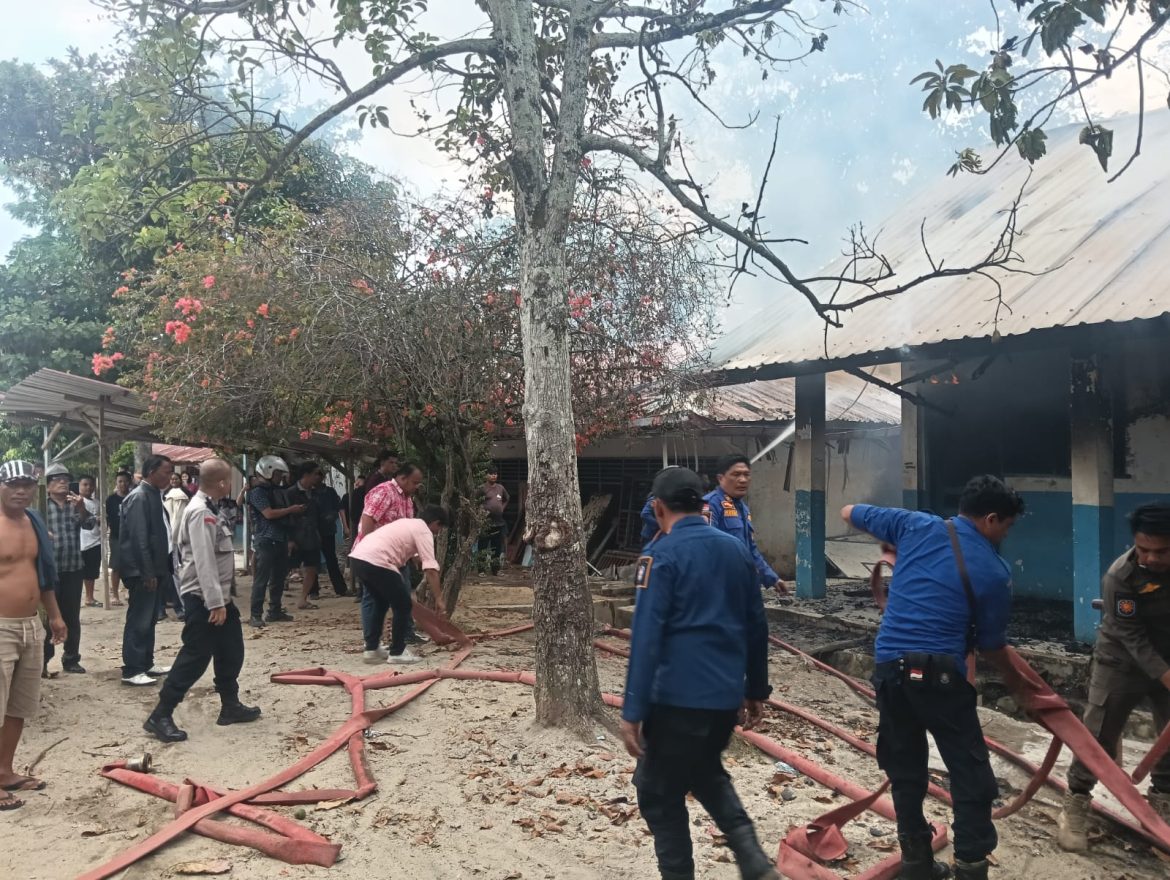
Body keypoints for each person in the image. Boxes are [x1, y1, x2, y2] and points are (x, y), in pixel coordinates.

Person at [842, 475, 1032, 880]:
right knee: (970, 773)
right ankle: (971, 867)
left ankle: (916, 864)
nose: (1006, 534)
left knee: (905, 767)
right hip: (941, 677)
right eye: (1007, 526)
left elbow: (848, 512)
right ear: (991, 519)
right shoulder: (994, 570)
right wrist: (1021, 686)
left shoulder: (914, 524)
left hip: (890, 669)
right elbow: (992, 645)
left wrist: (896, 543)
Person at [620, 467, 777, 880]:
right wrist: (756, 689)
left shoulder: (660, 555)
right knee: (705, 771)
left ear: (658, 508)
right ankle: (751, 857)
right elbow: (757, 625)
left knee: (656, 793)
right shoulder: (735, 550)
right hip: (724, 699)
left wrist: (632, 710)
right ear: (702, 504)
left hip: (675, 700)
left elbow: (646, 637)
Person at [1057, 502, 1170, 849]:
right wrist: (1165, 675)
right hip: (1121, 660)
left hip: (1167, 657)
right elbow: (1133, 638)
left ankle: (1162, 803)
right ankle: (1076, 801)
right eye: (1144, 549)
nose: (1151, 558)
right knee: (1099, 735)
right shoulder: (1121, 576)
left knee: (1169, 735)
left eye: (1161, 551)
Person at [143, 459, 261, 743]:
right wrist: (215, 603)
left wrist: (222, 601)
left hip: (218, 597)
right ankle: (161, 714)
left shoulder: (211, 508)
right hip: (203, 598)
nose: (230, 484)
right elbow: (204, 559)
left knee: (231, 649)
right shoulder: (199, 512)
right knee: (195, 657)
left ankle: (230, 705)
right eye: (228, 480)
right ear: (222, 483)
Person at [0, 460, 67, 810]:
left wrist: (54, 615)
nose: (20, 491)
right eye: (13, 484)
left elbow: (44, 574)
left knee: (19, 705)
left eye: (27, 485)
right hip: (1, 627)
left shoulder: (34, 521)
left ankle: (4, 771)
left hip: (30, 624)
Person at [349, 505, 449, 665]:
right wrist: (439, 599)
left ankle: (372, 649)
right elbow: (431, 569)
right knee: (403, 605)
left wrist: (416, 557)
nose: (438, 532)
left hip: (358, 559)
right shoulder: (424, 530)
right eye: (439, 528)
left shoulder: (407, 523)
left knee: (380, 603)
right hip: (378, 562)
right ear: (436, 522)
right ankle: (397, 652)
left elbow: (403, 547)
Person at [119, 454, 177, 686]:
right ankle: (132, 669)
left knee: (150, 619)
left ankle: (146, 662)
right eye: (167, 471)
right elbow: (138, 538)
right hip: (143, 571)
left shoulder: (153, 495)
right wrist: (147, 571)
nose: (170, 476)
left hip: (156, 568)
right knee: (139, 619)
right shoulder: (140, 497)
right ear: (152, 471)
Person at [359, 463, 426, 645]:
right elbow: (368, 519)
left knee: (403, 595)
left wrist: (414, 555)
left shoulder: (407, 499)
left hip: (398, 556)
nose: (417, 486)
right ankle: (372, 641)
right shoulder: (384, 492)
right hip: (376, 555)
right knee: (373, 597)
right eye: (415, 482)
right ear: (402, 478)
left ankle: (407, 633)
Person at [703, 455, 789, 595]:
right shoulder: (710, 505)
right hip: (719, 586)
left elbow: (750, 550)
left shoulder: (742, 509)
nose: (742, 480)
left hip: (742, 585)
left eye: (746, 474)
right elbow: (706, 548)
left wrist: (772, 578)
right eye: (736, 474)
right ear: (720, 478)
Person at [41, 463, 96, 675]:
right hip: (49, 570)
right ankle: (43, 661)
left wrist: (81, 508)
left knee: (72, 616)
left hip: (73, 568)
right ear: (47, 486)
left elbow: (90, 524)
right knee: (47, 618)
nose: (63, 482)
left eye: (66, 478)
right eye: (57, 479)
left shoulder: (76, 503)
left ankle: (71, 658)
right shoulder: (41, 507)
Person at [246, 455, 305, 628]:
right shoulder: (257, 492)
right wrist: (291, 510)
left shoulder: (276, 491)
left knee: (278, 578)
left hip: (280, 539)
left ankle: (275, 611)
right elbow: (269, 514)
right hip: (265, 540)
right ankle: (255, 614)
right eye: (278, 474)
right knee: (261, 579)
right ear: (268, 472)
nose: (280, 478)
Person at [285, 461, 324, 610]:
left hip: (311, 537)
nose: (318, 477)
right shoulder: (290, 493)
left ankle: (303, 598)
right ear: (306, 475)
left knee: (311, 568)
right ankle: (274, 601)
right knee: (285, 567)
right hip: (295, 536)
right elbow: (285, 517)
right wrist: (289, 539)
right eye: (315, 474)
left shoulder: (316, 493)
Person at [314, 472, 348, 598]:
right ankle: (313, 591)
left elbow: (338, 508)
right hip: (313, 531)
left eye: (318, 476)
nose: (316, 478)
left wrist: (343, 525)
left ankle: (340, 589)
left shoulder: (330, 492)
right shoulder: (309, 492)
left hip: (328, 530)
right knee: (313, 561)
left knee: (331, 560)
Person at [105, 471, 132, 607]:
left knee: (131, 564)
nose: (123, 484)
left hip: (132, 536)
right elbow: (107, 518)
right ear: (116, 483)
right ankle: (114, 594)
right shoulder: (111, 500)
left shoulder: (134, 497)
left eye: (125, 481)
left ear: (129, 482)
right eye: (120, 481)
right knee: (116, 566)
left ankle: (128, 590)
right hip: (116, 536)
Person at [78, 474, 103, 608]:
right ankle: (85, 597)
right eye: (85, 484)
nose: (88, 487)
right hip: (82, 542)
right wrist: (94, 519)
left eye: (91, 485)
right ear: (79, 486)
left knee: (92, 572)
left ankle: (90, 597)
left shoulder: (97, 502)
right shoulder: (76, 501)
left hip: (95, 540)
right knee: (83, 572)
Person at [478, 468, 510, 573]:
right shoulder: (482, 488)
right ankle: (481, 570)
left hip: (498, 522)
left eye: (495, 474)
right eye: (491, 474)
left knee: (497, 547)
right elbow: (475, 500)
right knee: (483, 546)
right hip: (485, 522)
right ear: (486, 475)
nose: (493, 476)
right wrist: (480, 511)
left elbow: (507, 498)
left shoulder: (500, 488)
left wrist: (502, 508)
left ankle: (495, 570)